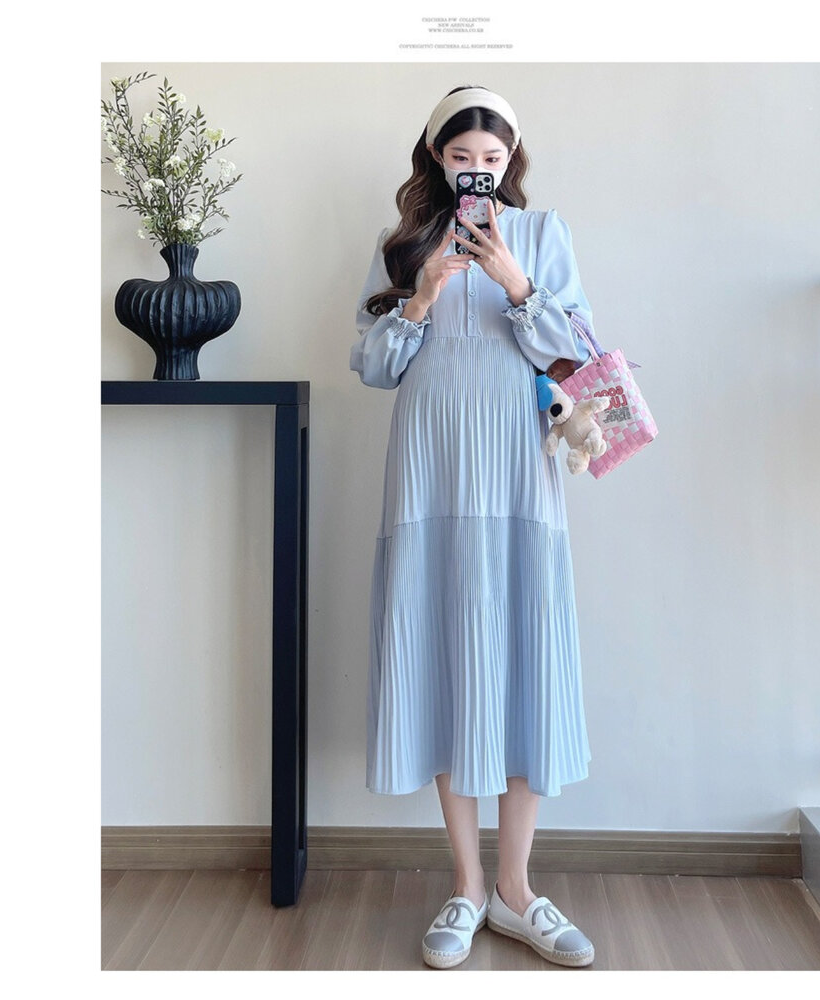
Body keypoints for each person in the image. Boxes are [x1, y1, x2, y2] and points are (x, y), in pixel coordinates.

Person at [350, 85, 597, 970]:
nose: (477, 172)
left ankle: (516, 891)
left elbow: (576, 354)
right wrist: (421, 295)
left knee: (525, 664)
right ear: (436, 159)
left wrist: (514, 282)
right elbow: (372, 367)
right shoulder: (404, 244)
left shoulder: (543, 233)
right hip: (431, 479)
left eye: (492, 159)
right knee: (447, 664)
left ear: (510, 161)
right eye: (462, 158)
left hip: (520, 479)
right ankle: (465, 886)